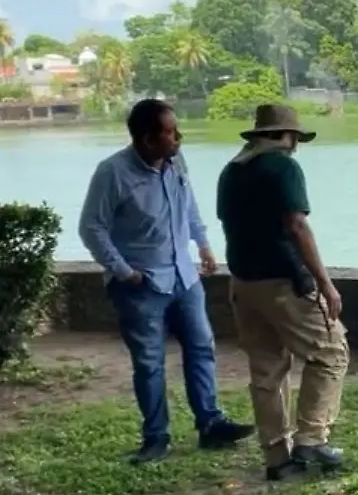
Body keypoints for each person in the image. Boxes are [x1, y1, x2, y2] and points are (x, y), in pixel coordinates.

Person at [78, 99, 254, 464]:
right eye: (170, 132)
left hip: (184, 276)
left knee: (202, 348)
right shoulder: (112, 173)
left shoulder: (176, 162)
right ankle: (156, 437)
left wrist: (203, 244)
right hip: (140, 286)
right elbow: (91, 227)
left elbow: (187, 205)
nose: (178, 138)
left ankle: (211, 424)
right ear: (147, 139)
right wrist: (124, 271)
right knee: (149, 363)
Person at [216, 104, 349, 481]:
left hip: (242, 281)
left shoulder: (231, 170)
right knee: (331, 351)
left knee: (266, 371)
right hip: (283, 280)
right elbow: (297, 225)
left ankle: (277, 460)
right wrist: (325, 283)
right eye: (295, 138)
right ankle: (312, 438)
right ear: (285, 136)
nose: (296, 146)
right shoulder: (283, 167)